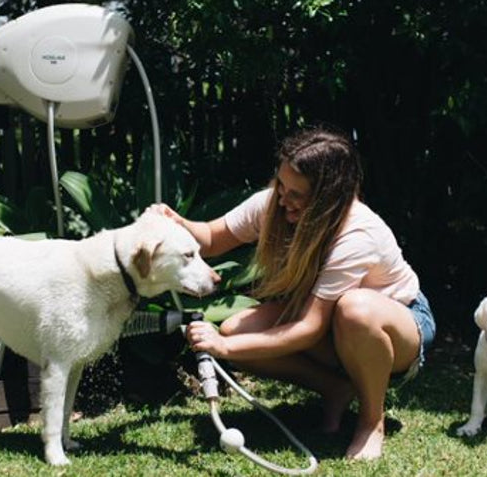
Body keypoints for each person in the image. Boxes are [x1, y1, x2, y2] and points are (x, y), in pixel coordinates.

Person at [149, 125, 435, 460]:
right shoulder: (274, 203)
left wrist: (224, 347)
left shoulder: (357, 233)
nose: (282, 197)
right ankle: (334, 389)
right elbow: (212, 238)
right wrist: (176, 223)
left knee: (354, 308)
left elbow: (309, 328)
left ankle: (371, 421)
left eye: (296, 193)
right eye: (281, 185)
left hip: (397, 331)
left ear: (328, 198)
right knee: (237, 330)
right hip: (331, 324)